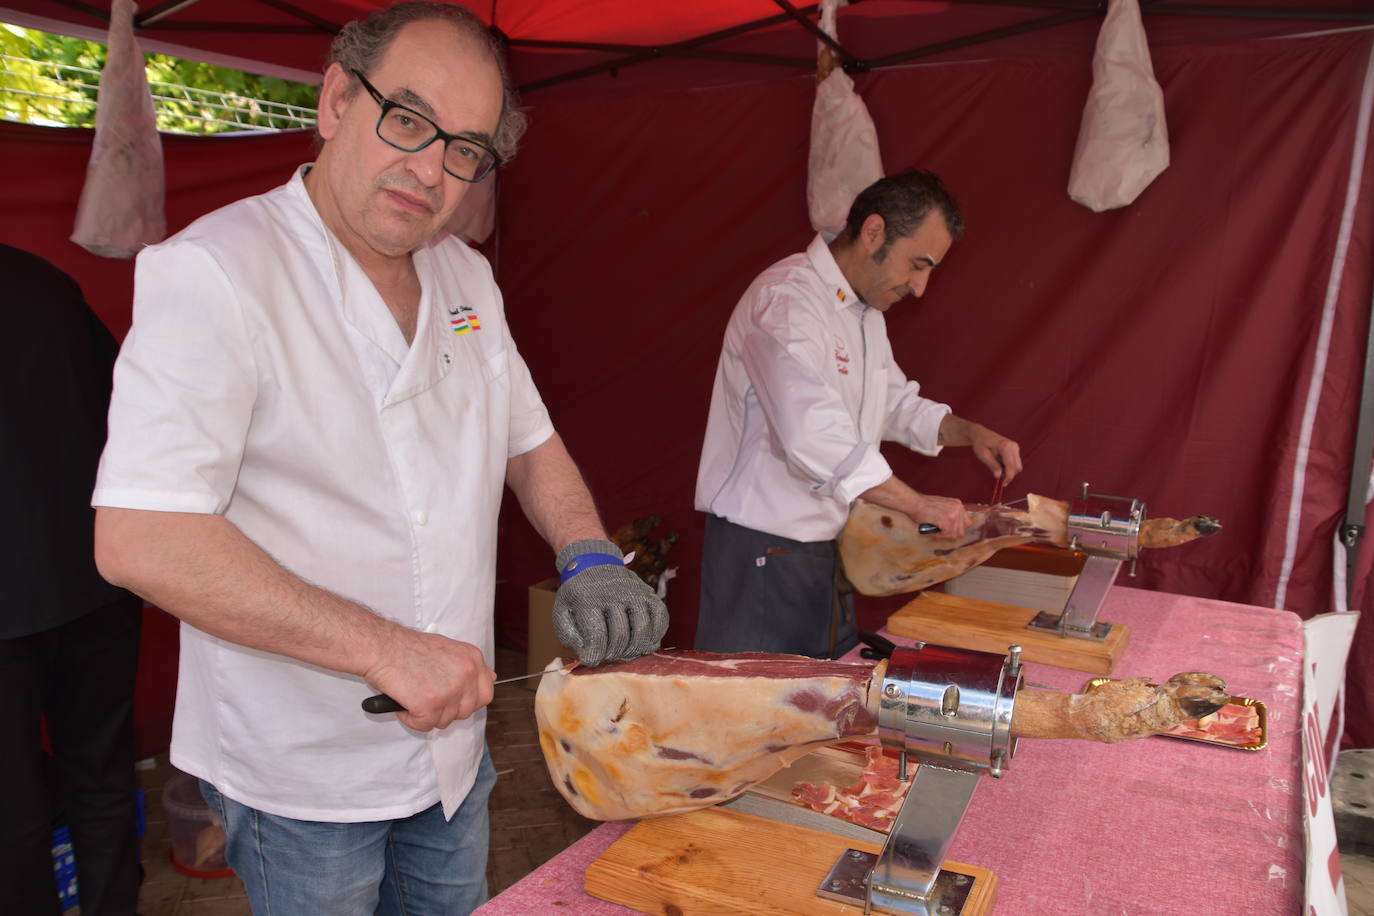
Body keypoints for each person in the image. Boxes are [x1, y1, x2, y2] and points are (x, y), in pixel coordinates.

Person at [91, 3, 666, 914]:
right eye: (407, 119)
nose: (430, 168)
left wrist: (587, 552)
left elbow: (530, 440)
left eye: (466, 149)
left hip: (454, 749)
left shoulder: (465, 277)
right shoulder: (217, 271)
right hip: (303, 775)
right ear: (332, 102)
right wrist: (384, 648)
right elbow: (140, 536)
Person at [694, 170, 1021, 659]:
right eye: (917, 264)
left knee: (822, 712)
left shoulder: (864, 313)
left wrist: (967, 432)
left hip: (825, 547)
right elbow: (812, 434)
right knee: (752, 717)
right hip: (763, 548)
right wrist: (916, 505)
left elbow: (892, 404)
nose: (920, 287)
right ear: (873, 233)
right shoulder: (788, 299)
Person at [0, 244, 143, 916]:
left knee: (13, 811)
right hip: (96, 578)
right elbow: (126, 405)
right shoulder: (46, 284)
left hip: (22, 600)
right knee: (102, 776)